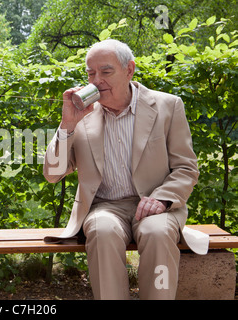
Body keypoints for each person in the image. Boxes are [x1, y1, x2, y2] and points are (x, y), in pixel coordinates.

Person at [43, 39, 202, 299]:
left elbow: (186, 167)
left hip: (155, 203)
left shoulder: (168, 106)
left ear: (129, 70)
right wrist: (67, 125)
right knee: (102, 230)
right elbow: (53, 173)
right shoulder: (81, 116)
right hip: (105, 207)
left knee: (157, 232)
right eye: (90, 73)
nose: (96, 80)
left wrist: (162, 199)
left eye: (106, 72)